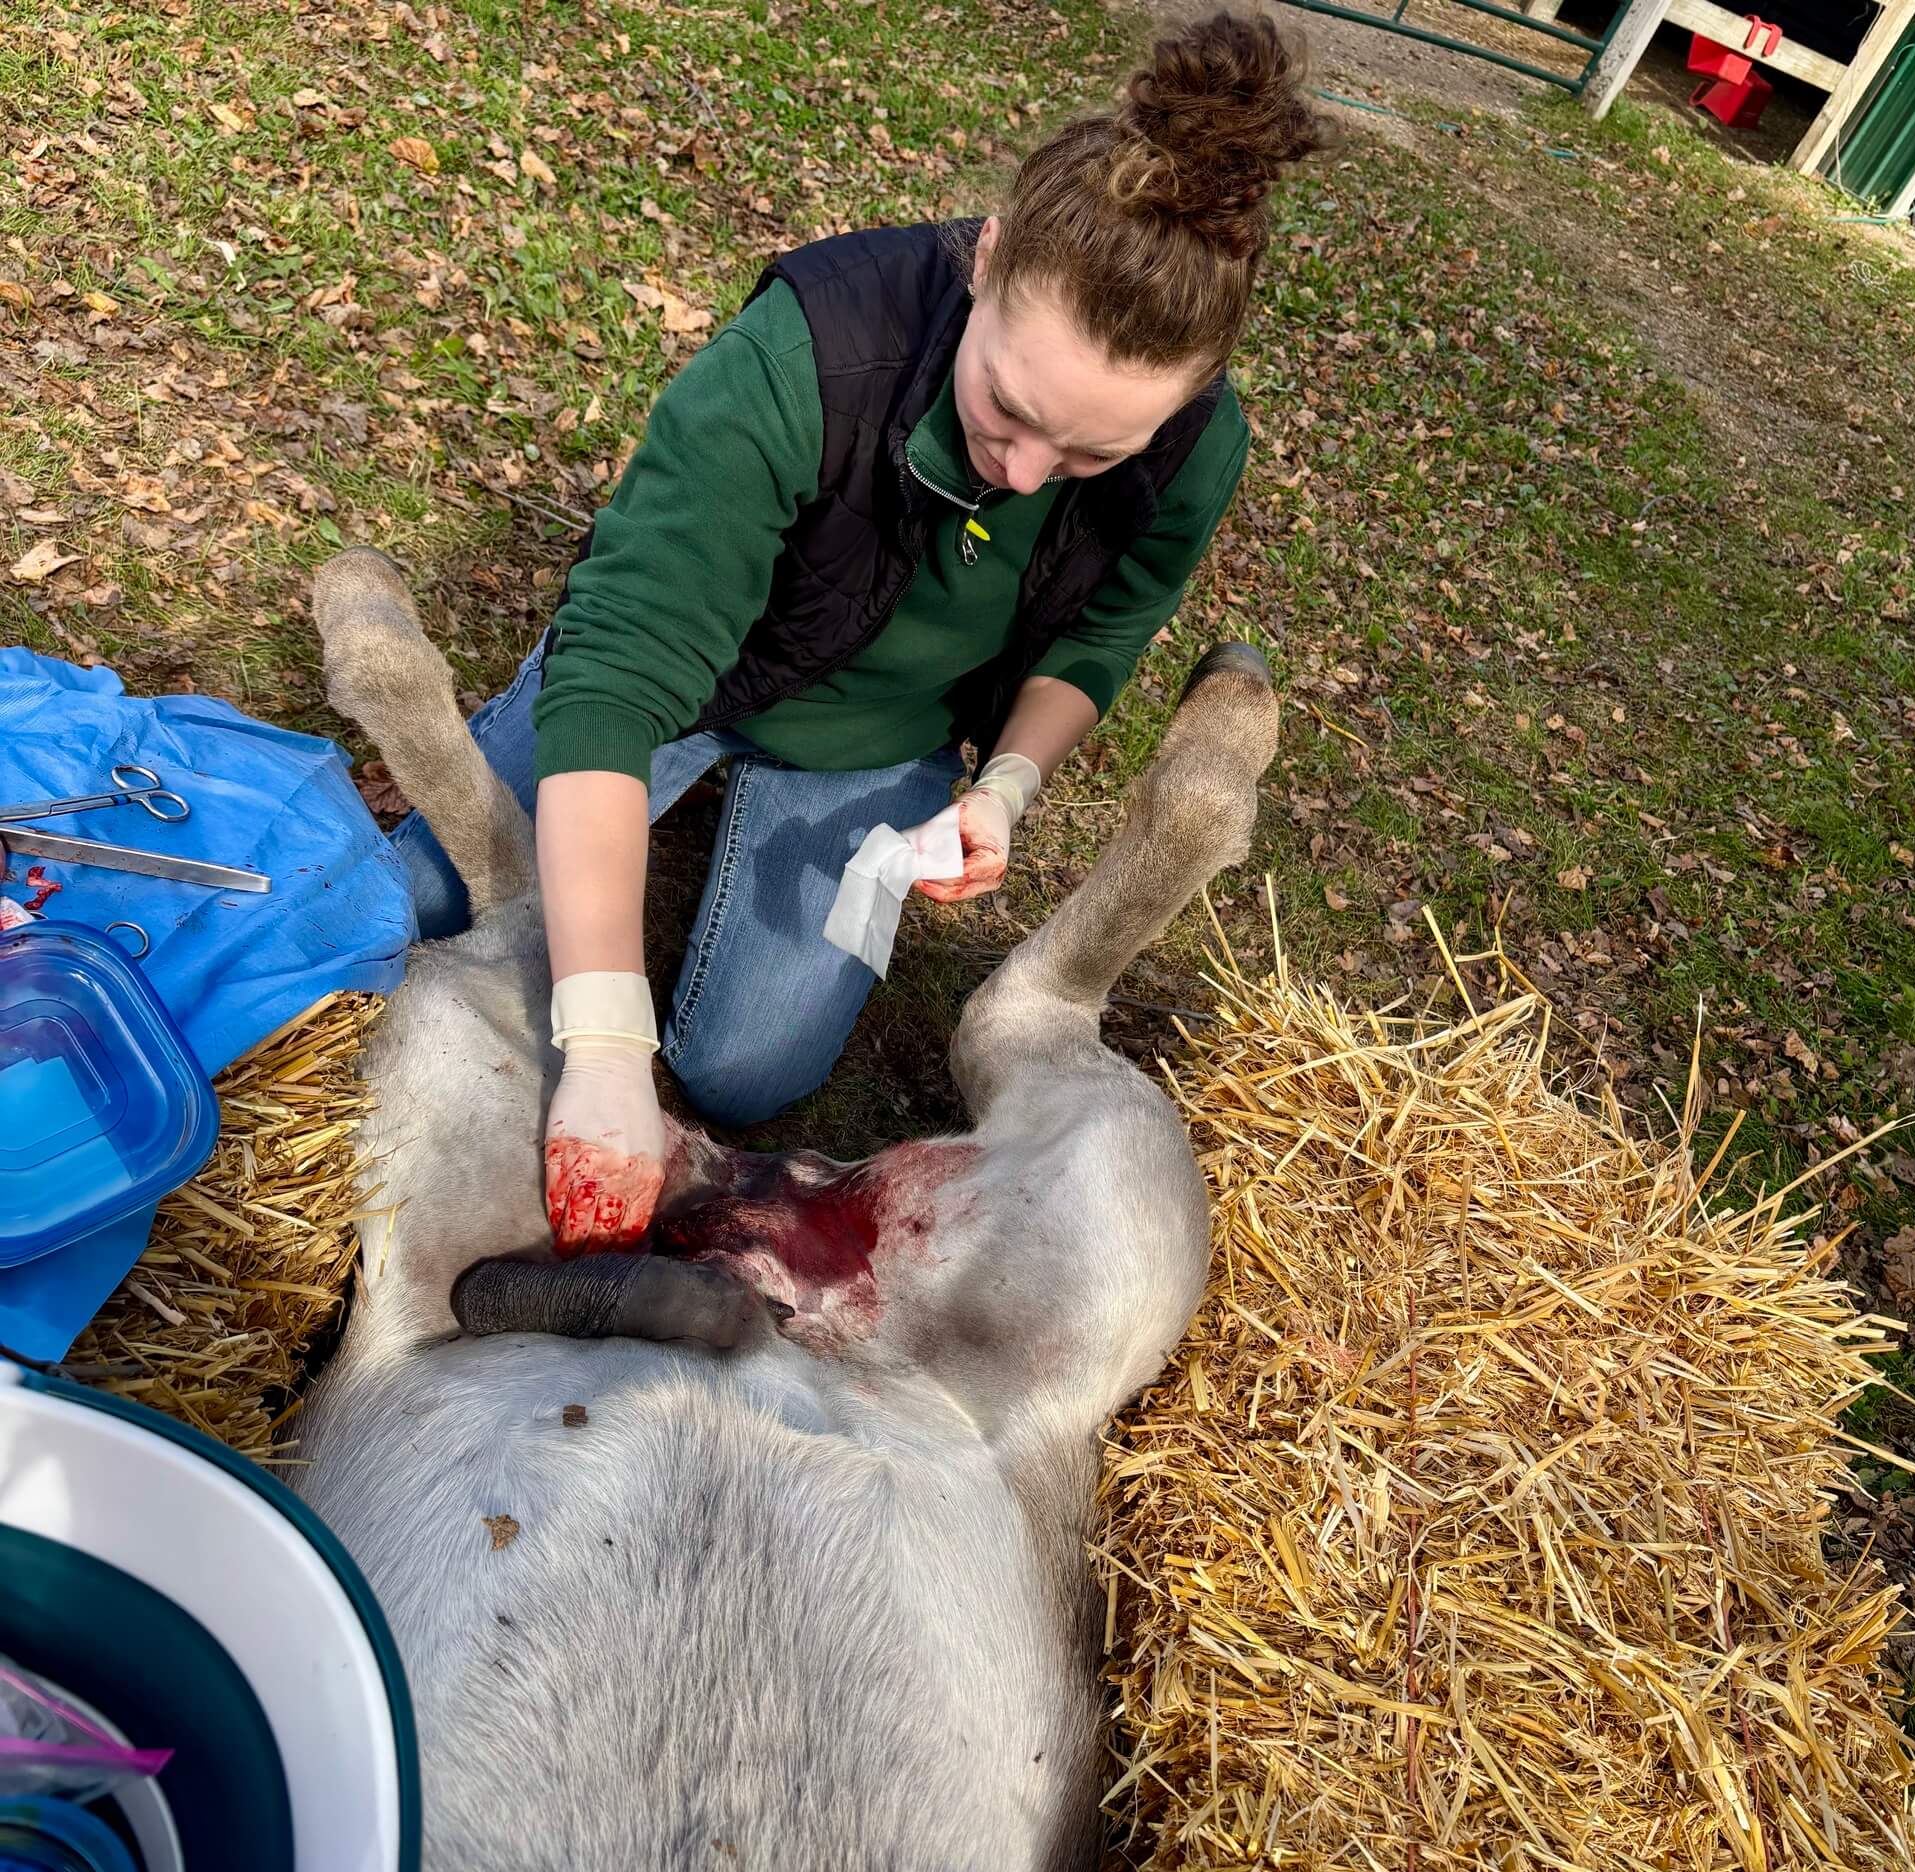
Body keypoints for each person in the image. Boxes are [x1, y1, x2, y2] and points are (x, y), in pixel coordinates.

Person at [393, 7, 1328, 1255]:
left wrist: (1003, 785)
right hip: (696, 681)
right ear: (986, 259)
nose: (1030, 471)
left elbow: (1096, 641)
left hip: (873, 743)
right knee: (414, 901)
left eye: (1092, 451)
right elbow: (622, 674)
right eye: (1006, 409)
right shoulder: (811, 353)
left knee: (744, 1076)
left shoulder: (1196, 446)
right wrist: (607, 1042)